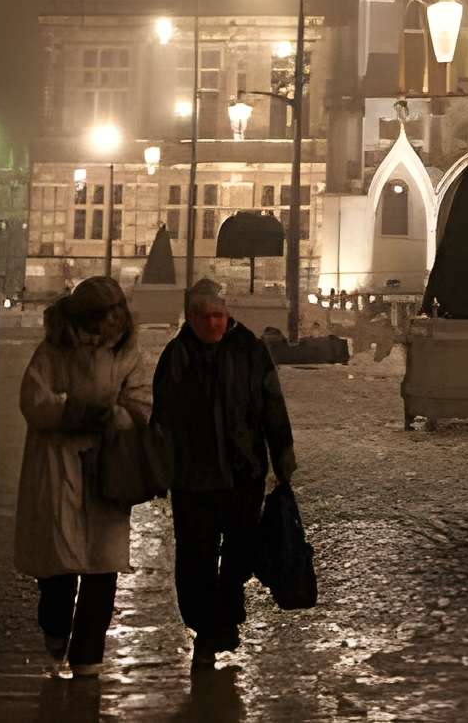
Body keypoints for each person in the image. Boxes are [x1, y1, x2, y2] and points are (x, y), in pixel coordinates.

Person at [153, 275, 296, 668]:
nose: (212, 324)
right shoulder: (177, 355)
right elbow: (162, 418)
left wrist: (283, 456)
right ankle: (205, 628)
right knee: (195, 558)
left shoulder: (250, 351)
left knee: (238, 555)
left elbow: (272, 406)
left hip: (241, 475)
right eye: (203, 317)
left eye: (217, 315)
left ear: (227, 314)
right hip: (193, 479)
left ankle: (226, 620)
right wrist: (159, 470)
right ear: (191, 318)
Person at [18, 276, 153, 677]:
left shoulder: (127, 353)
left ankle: (89, 655)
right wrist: (75, 412)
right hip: (59, 464)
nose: (112, 323)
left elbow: (142, 399)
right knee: (58, 565)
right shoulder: (53, 351)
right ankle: (55, 628)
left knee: (102, 566)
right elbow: (34, 401)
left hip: (108, 468)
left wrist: (118, 415)